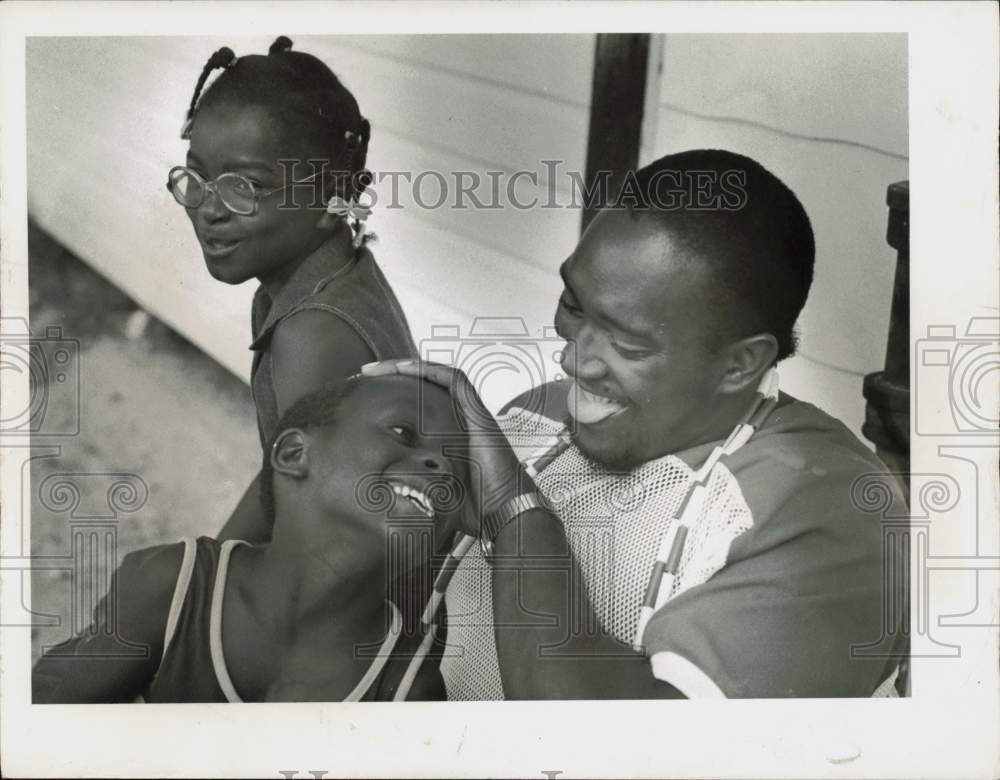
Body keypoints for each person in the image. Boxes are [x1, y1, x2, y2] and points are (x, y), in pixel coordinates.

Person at [365, 149, 909, 700]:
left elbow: (604, 749)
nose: (575, 360)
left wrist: (514, 508)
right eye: (573, 305)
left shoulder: (825, 509)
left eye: (626, 342)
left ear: (739, 364)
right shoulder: (538, 418)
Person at [32, 373, 467, 702]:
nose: (439, 467)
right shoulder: (175, 589)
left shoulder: (408, 686)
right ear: (294, 454)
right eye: (404, 434)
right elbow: (47, 732)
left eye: (460, 468)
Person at [166, 36, 417, 544]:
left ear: (332, 198)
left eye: (246, 186)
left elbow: (310, 533)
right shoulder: (336, 274)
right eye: (196, 178)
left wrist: (207, 577)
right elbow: (288, 474)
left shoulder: (312, 332)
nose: (209, 209)